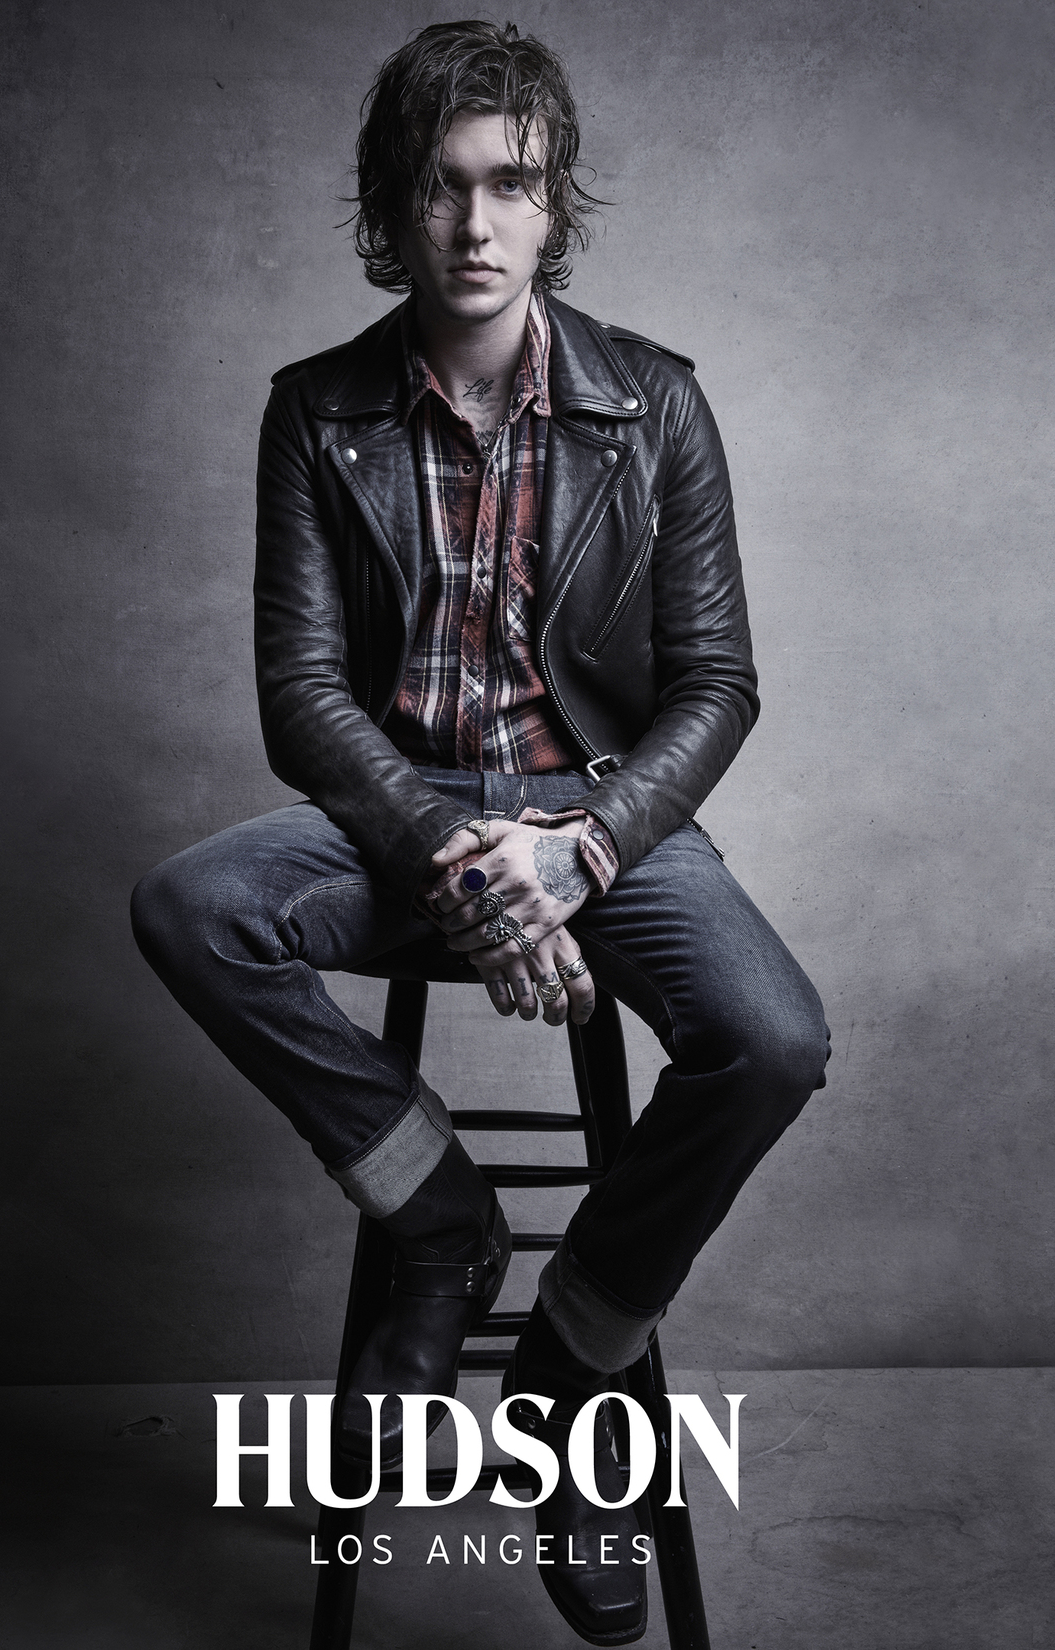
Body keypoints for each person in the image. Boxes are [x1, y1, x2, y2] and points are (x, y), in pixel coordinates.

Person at [131, 20, 829, 1645]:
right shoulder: (317, 412)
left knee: (774, 1040)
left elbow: (717, 684)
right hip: (401, 821)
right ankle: (438, 1214)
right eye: (439, 186)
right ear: (394, 201)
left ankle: (571, 1365)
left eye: (509, 183)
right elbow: (303, 699)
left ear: (551, 200)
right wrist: (456, 860)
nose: (472, 223)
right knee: (189, 905)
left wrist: (576, 853)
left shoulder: (654, 404)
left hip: (602, 816)